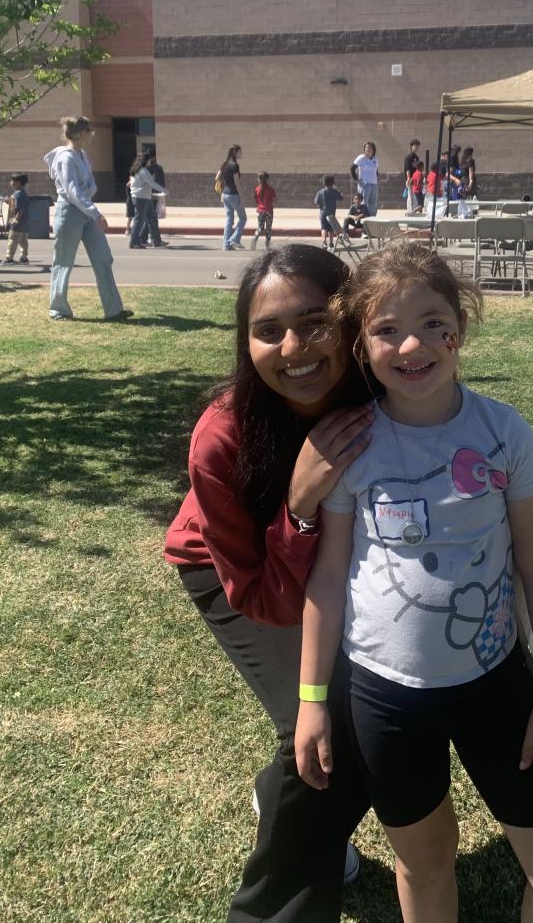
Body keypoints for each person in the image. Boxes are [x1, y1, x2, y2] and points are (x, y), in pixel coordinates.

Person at [295, 241, 533, 922]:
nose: (413, 345)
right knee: (426, 865)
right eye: (386, 329)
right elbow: (330, 575)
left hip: (497, 685)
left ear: (460, 327)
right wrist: (313, 701)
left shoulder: (504, 433)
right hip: (385, 699)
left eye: (433, 323)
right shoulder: (352, 443)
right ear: (361, 345)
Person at [163, 245, 377, 921]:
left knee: (382, 708)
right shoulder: (222, 436)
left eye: (315, 323)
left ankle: (277, 795)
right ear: (245, 341)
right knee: (324, 736)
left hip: (340, 562)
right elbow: (264, 600)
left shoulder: (381, 392)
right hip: (237, 571)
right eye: (268, 331)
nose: (293, 348)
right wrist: (300, 503)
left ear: (350, 321)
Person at [44, 116, 132, 322]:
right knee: (63, 262)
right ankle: (58, 309)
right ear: (82, 133)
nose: (92, 135)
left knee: (103, 258)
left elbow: (89, 185)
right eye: (89, 132)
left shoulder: (82, 155)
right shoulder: (66, 158)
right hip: (69, 212)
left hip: (85, 211)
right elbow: (72, 191)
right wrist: (95, 213)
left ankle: (113, 310)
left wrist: (91, 203)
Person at [128, 153, 166, 249]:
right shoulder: (143, 171)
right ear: (146, 161)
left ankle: (156, 241)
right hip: (141, 198)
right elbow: (151, 183)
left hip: (144, 198)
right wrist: (163, 190)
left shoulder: (136, 170)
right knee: (139, 220)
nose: (150, 162)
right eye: (149, 160)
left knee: (152, 218)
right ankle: (134, 242)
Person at [218, 144, 247, 250]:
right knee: (243, 218)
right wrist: (242, 197)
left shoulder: (224, 164)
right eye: (240, 152)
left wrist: (225, 183)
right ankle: (234, 239)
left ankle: (226, 245)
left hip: (225, 194)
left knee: (229, 219)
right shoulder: (235, 165)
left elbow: (217, 177)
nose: (241, 153)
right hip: (234, 194)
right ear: (235, 152)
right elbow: (237, 183)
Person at [2, 173, 31, 264]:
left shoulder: (18, 194)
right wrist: (9, 201)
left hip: (18, 223)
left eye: (12, 181)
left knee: (12, 240)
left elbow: (21, 209)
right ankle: (24, 257)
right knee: (23, 242)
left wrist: (16, 219)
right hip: (25, 223)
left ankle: (9, 258)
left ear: (18, 183)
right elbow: (17, 205)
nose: (10, 182)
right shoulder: (23, 193)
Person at [315, 175, 345, 248]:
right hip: (331, 214)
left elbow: (316, 202)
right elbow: (341, 198)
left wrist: (321, 205)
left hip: (323, 213)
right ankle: (331, 242)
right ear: (332, 183)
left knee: (324, 228)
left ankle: (324, 242)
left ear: (324, 183)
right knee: (331, 228)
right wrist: (337, 190)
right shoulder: (334, 191)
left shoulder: (320, 192)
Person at [351, 142, 379, 217]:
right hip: (365, 184)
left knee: (373, 204)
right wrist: (356, 179)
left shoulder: (375, 159)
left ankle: (372, 219)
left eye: (370, 148)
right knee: (363, 203)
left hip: (374, 184)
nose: (368, 149)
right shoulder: (361, 158)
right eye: (367, 147)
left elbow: (376, 171)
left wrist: (376, 179)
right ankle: (361, 219)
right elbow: (352, 168)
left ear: (373, 150)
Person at [252, 172, 277, 250]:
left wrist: (260, 205)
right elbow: (274, 199)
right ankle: (267, 246)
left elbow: (255, 199)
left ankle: (254, 238)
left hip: (260, 211)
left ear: (259, 179)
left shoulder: (257, 189)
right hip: (269, 211)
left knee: (260, 227)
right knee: (268, 228)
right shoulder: (271, 189)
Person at [403, 140, 422, 214]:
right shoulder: (408, 157)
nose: (417, 147)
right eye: (415, 145)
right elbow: (407, 168)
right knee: (410, 196)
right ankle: (410, 212)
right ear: (411, 146)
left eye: (418, 146)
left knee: (415, 196)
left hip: (415, 180)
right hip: (410, 179)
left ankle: (414, 210)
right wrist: (408, 178)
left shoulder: (417, 157)